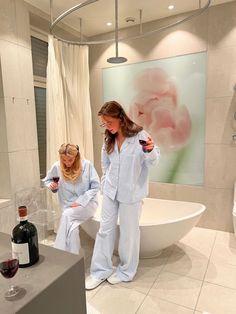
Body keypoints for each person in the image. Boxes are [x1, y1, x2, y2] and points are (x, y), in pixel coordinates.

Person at [85, 101, 160, 290]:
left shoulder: (140, 136)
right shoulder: (108, 139)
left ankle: (126, 271)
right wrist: (104, 184)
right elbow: (105, 164)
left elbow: (153, 162)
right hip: (110, 191)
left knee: (129, 234)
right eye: (104, 123)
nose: (107, 127)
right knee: (105, 230)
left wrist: (150, 151)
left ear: (120, 118)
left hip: (131, 194)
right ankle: (100, 271)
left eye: (109, 122)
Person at [43, 143, 100, 254]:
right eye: (64, 160)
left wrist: (80, 201)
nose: (67, 163)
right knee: (72, 230)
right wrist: (53, 187)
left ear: (76, 156)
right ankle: (74, 258)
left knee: (66, 215)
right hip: (67, 205)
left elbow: (96, 186)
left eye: (70, 160)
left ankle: (59, 255)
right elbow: (47, 180)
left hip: (87, 204)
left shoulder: (87, 165)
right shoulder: (57, 166)